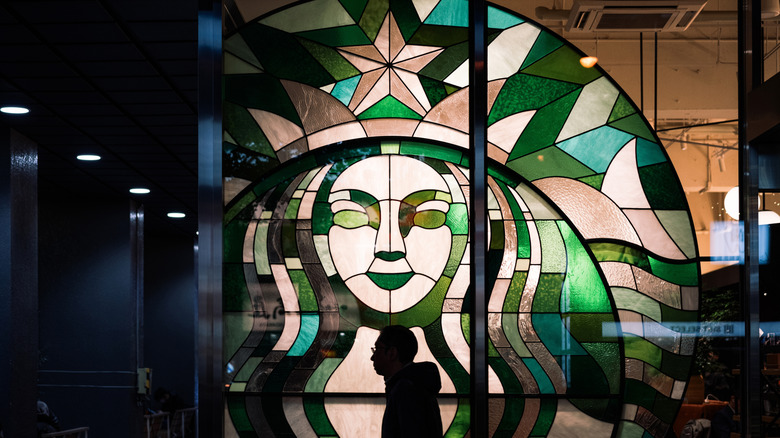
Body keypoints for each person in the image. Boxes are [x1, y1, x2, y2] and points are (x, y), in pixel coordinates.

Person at [371, 325, 443, 438]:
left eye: (377, 349)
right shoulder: (413, 384)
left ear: (392, 353)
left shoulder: (406, 390)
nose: (372, 357)